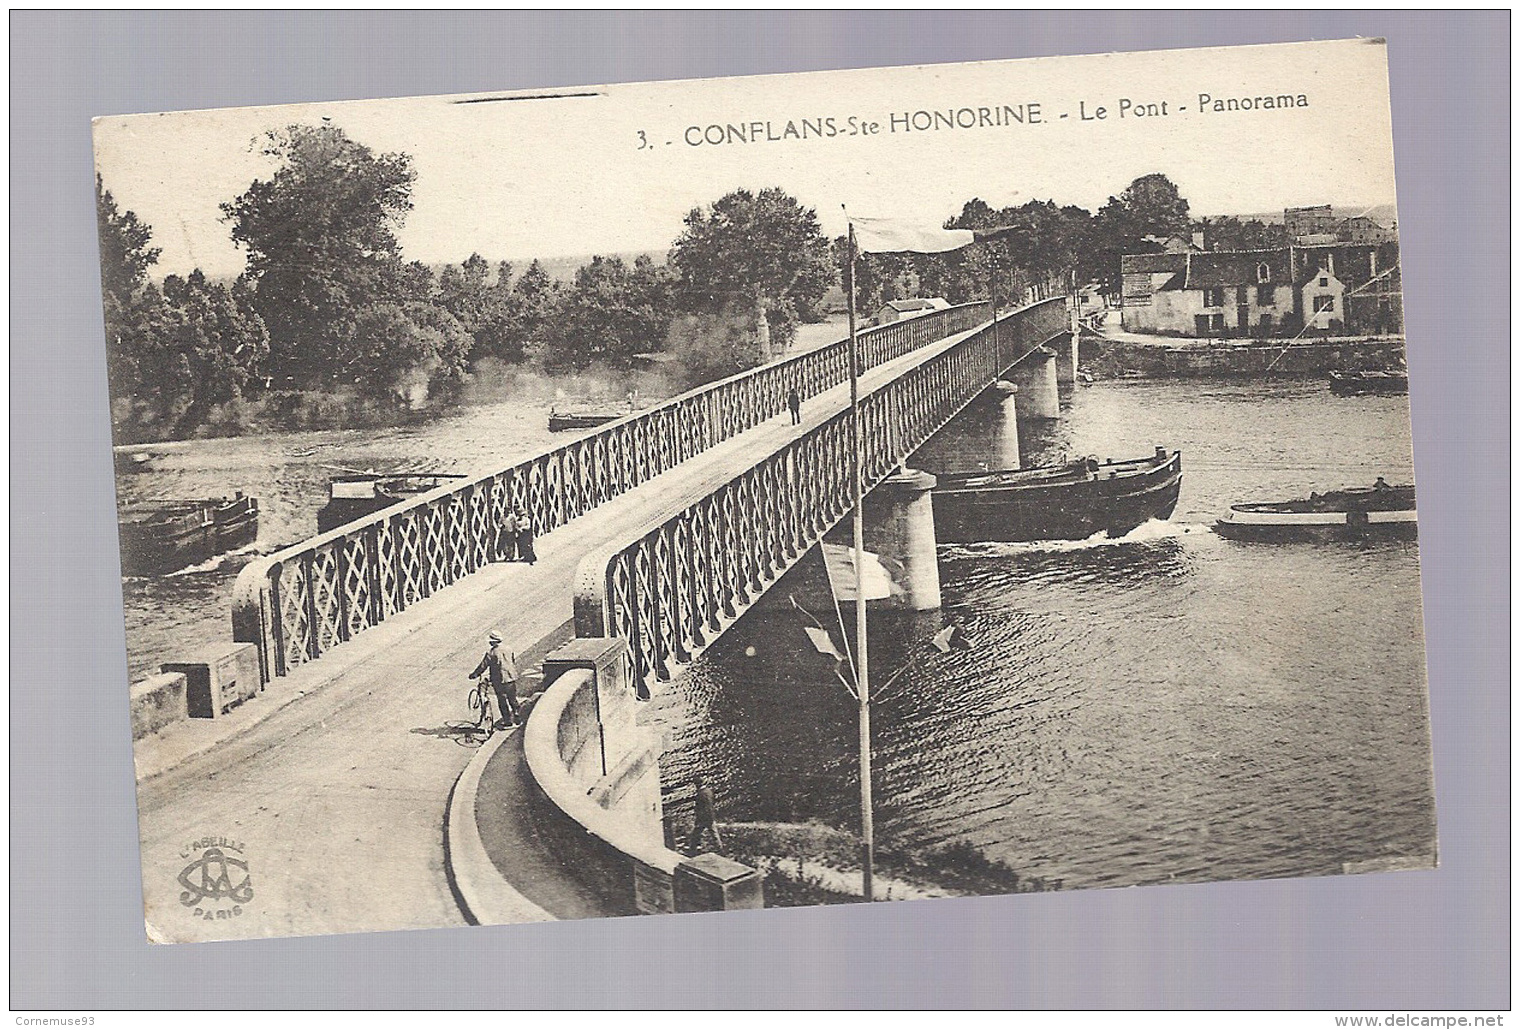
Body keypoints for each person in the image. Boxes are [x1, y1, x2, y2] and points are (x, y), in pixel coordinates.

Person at [470, 630, 520, 729]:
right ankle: (517, 714)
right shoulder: (509, 649)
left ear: (493, 642)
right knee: (512, 699)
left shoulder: (491, 653)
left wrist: (474, 674)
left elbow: (483, 666)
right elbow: (512, 661)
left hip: (499, 680)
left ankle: (507, 721)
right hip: (510, 677)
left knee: (502, 700)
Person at [686, 775, 723, 854]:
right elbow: (709, 807)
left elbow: (703, 808)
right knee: (714, 834)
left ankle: (693, 850)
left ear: (697, 784)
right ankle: (720, 849)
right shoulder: (708, 791)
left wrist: (699, 819)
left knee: (696, 834)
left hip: (703, 818)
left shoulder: (701, 794)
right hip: (709, 816)